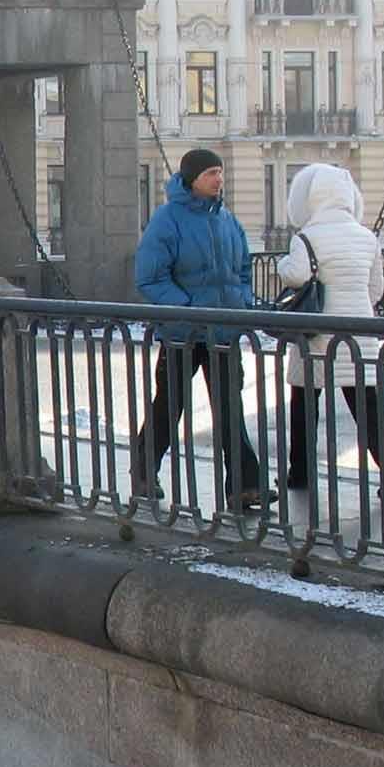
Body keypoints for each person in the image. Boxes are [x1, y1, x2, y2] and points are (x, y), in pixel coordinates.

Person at [131, 147, 270, 510]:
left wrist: (242, 302)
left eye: (220, 172)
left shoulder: (226, 219)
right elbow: (149, 277)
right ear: (192, 178)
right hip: (184, 333)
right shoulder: (167, 220)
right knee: (169, 405)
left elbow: (243, 268)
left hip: (224, 330)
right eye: (211, 173)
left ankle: (245, 485)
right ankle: (143, 473)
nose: (218, 179)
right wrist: (188, 308)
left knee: (230, 408)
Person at [278, 163, 384, 498]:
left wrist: (282, 264)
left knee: (304, 403)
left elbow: (296, 276)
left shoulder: (306, 237)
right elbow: (375, 290)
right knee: (367, 405)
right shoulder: (367, 238)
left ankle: (301, 472)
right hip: (359, 332)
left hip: (317, 334)